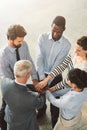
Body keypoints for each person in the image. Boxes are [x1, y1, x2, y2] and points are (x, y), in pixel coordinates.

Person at [0, 24, 39, 130]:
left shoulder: (24, 45)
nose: (22, 43)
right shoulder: (3, 55)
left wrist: (35, 79)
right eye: (19, 41)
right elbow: (6, 78)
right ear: (11, 40)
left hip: (22, 82)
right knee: (6, 108)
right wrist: (19, 90)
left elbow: (29, 61)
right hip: (12, 87)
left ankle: (39, 112)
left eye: (22, 40)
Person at [36, 16, 71, 127]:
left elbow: (57, 65)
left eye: (59, 32)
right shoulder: (42, 37)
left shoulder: (66, 45)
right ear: (51, 26)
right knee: (40, 96)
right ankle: (41, 111)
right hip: (41, 72)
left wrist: (47, 83)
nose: (55, 34)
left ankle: (54, 122)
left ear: (63, 30)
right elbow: (39, 58)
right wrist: (42, 79)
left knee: (55, 100)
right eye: (54, 30)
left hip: (55, 75)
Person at [0, 60, 44, 130]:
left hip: (11, 122)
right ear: (28, 75)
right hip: (28, 125)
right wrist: (42, 93)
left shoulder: (4, 83)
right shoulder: (32, 98)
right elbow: (40, 104)